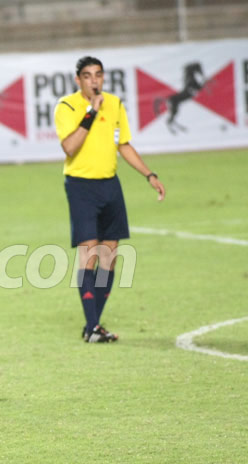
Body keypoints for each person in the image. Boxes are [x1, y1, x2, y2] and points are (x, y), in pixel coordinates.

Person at [54, 56, 166, 343]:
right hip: (81, 186)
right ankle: (92, 327)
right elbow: (69, 147)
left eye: (98, 75)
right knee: (88, 254)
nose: (94, 80)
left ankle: (94, 325)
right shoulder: (66, 107)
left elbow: (123, 144)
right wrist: (90, 112)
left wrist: (148, 174)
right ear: (78, 80)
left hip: (110, 185)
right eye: (88, 76)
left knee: (110, 257)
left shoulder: (115, 104)